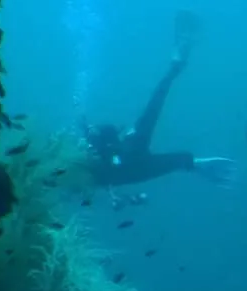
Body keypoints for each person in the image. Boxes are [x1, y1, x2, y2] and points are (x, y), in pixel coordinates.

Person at [83, 11, 235, 202]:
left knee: (154, 107)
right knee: (155, 106)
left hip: (130, 158)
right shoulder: (90, 165)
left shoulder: (94, 164)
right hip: (131, 158)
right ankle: (177, 62)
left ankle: (177, 62)